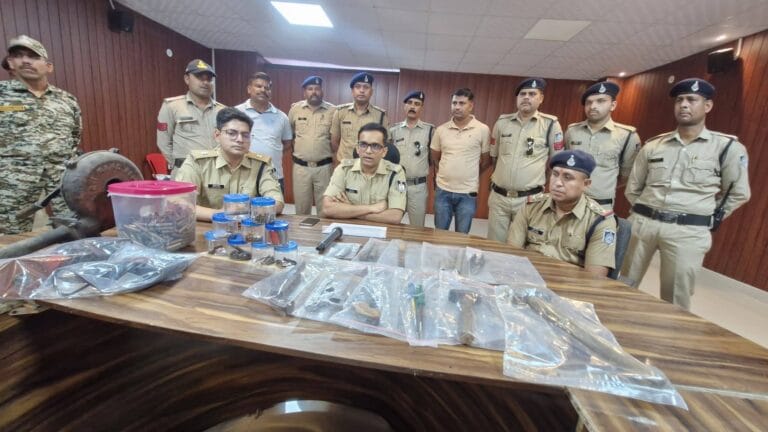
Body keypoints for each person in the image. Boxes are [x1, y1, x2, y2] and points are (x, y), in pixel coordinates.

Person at [621, 78, 750, 310]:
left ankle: (670, 331)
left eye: (692, 100)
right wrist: (645, 211)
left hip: (687, 230)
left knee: (675, 295)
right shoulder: (654, 146)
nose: (684, 105)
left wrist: (708, 215)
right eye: (679, 100)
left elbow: (738, 192)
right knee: (623, 283)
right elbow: (634, 187)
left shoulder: (727, 148)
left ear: (707, 106)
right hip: (643, 223)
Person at [0, 35, 81, 235]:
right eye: (19, 56)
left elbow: (75, 135)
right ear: (10, 63)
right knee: (12, 235)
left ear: (48, 66)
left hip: (62, 177)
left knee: (73, 227)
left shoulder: (66, 100)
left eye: (34, 57)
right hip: (12, 179)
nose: (26, 61)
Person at [507, 150, 617, 277]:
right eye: (555, 174)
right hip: (526, 278)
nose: (557, 183)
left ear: (586, 184)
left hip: (567, 284)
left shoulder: (600, 221)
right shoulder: (531, 206)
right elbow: (511, 254)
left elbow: (594, 278)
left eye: (567, 177)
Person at [174, 107, 284, 221]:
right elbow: (180, 203)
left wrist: (245, 210)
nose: (240, 139)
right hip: (207, 225)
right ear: (217, 135)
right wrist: (220, 215)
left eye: (245, 135)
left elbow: (277, 202)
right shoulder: (198, 162)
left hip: (247, 227)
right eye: (232, 133)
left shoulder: (261, 165)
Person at [487, 77, 564, 242]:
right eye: (522, 94)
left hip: (529, 199)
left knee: (521, 245)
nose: (526, 97)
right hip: (499, 197)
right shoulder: (502, 123)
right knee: (494, 244)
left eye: (532, 94)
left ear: (541, 98)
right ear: (517, 98)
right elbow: (495, 157)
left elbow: (557, 164)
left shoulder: (550, 124)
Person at [565, 81, 641, 210]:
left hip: (601, 204)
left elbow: (626, 175)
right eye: (589, 102)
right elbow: (566, 165)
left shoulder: (627, 136)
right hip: (570, 201)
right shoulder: (572, 131)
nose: (593, 106)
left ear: (613, 105)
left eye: (600, 101)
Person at [431, 88, 491, 233]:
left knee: (462, 235)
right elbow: (435, 157)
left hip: (467, 193)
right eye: (454, 103)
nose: (457, 107)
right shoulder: (441, 129)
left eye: (462, 103)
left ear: (471, 106)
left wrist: (471, 173)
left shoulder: (482, 129)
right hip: (443, 190)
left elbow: (486, 161)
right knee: (439, 233)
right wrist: (447, 171)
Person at [321, 123, 406, 225]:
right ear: (357, 148)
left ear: (384, 151)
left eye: (375, 146)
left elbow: (395, 216)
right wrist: (371, 208)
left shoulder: (396, 173)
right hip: (350, 227)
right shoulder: (344, 169)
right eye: (363, 145)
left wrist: (350, 209)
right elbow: (327, 208)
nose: (368, 151)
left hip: (380, 229)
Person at [157, 59, 224, 173]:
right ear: (187, 79)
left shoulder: (223, 110)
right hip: (184, 171)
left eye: (209, 79)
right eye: (200, 78)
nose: (205, 82)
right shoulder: (172, 106)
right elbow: (163, 142)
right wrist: (178, 165)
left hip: (215, 172)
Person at [287, 75, 336, 215]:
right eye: (310, 89)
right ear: (304, 92)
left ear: (322, 91)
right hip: (301, 168)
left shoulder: (333, 111)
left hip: (324, 168)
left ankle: (324, 230)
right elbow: (290, 135)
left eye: (317, 88)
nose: (314, 92)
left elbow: (336, 138)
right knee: (301, 209)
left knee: (325, 208)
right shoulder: (295, 109)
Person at [236, 72, 292, 192]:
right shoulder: (236, 113)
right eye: (258, 86)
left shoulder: (281, 117)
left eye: (267, 88)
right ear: (249, 89)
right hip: (243, 175)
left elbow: (287, 143)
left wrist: (272, 150)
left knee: (275, 204)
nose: (263, 90)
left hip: (274, 176)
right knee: (243, 204)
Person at [389, 90, 434, 227]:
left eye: (417, 104)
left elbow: (434, 158)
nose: (413, 106)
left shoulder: (430, 130)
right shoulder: (393, 131)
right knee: (392, 222)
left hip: (418, 187)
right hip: (397, 184)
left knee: (417, 227)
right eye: (409, 103)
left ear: (422, 108)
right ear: (404, 106)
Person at [331, 72, 389, 161]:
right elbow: (334, 142)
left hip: (369, 164)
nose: (362, 90)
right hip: (345, 164)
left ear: (371, 92)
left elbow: (385, 143)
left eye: (366, 87)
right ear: (352, 91)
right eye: (358, 87)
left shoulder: (381, 115)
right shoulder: (340, 112)